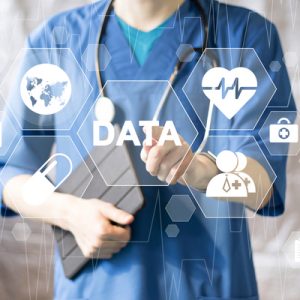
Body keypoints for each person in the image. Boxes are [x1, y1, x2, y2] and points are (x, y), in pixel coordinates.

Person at [0, 0, 296, 299]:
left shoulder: (244, 36)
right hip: (97, 289)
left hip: (208, 287)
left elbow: (264, 185)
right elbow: (9, 172)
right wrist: (68, 213)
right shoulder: (57, 41)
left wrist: (199, 170)